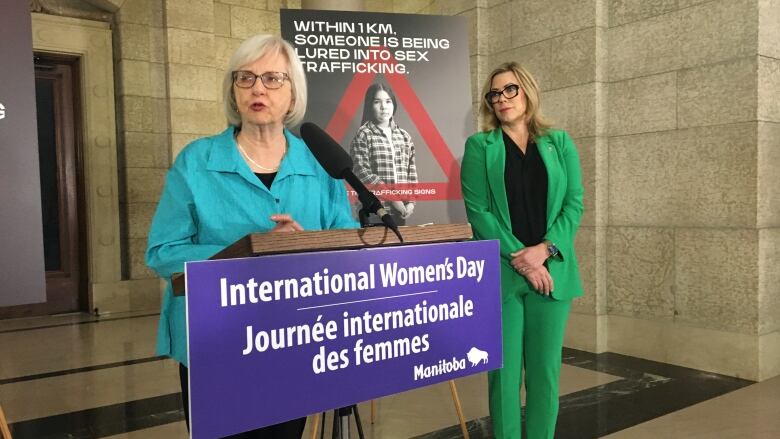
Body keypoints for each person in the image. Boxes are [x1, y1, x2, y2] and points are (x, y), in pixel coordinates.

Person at [145, 34, 357, 438]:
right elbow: (163, 251)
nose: (258, 88)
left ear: (293, 94)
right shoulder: (196, 161)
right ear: (233, 91)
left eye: (273, 78)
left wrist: (303, 242)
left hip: (294, 337)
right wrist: (250, 253)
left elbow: (345, 235)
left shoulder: (318, 163)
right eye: (246, 78)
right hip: (215, 341)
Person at [460, 61, 584, 439]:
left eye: (509, 89)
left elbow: (574, 204)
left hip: (554, 272)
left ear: (527, 91)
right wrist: (525, 260)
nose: (501, 99)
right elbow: (478, 212)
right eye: (494, 94)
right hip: (504, 274)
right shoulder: (480, 146)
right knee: (504, 376)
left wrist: (544, 251)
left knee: (545, 374)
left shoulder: (559, 142)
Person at [349, 82, 418, 224]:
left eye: (388, 101)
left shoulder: (404, 136)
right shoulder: (363, 134)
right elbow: (362, 173)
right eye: (377, 102)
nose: (384, 107)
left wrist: (410, 202)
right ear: (370, 105)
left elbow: (412, 172)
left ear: (393, 104)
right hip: (374, 212)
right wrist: (392, 198)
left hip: (401, 212)